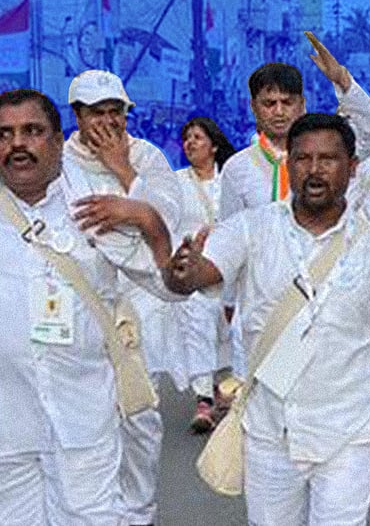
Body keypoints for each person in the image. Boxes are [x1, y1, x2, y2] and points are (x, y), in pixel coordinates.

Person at [161, 113, 370, 525]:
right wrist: (182, 272)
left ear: (352, 167)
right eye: (302, 158)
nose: (314, 169)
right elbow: (203, 271)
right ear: (289, 164)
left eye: (328, 159)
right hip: (270, 431)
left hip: (349, 432)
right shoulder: (252, 229)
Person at [0, 88, 177, 524]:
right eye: (5, 134)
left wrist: (150, 224)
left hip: (84, 418)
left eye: (32, 132)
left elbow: (169, 286)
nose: (17, 144)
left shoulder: (98, 206)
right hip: (9, 426)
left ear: (59, 141)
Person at [63, 69, 195, 526]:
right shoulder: (60, 165)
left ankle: (139, 515)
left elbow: (169, 224)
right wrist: (134, 219)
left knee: (139, 422)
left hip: (142, 310)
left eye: (115, 112)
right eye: (96, 113)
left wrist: (127, 185)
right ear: (77, 115)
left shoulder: (147, 157)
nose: (107, 122)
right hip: (81, 309)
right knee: (86, 428)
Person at [218, 32, 370, 220]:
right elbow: (230, 234)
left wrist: (342, 80)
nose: (278, 111)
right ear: (254, 107)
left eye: (287, 102)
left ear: (302, 104)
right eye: (269, 104)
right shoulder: (237, 169)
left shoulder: (331, 149)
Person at [176, 116, 237, 433]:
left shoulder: (230, 179)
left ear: (213, 145)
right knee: (197, 329)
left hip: (228, 267)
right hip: (194, 269)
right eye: (187, 138)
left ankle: (223, 386)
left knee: (227, 330)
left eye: (198, 137)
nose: (191, 143)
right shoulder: (176, 182)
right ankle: (203, 399)